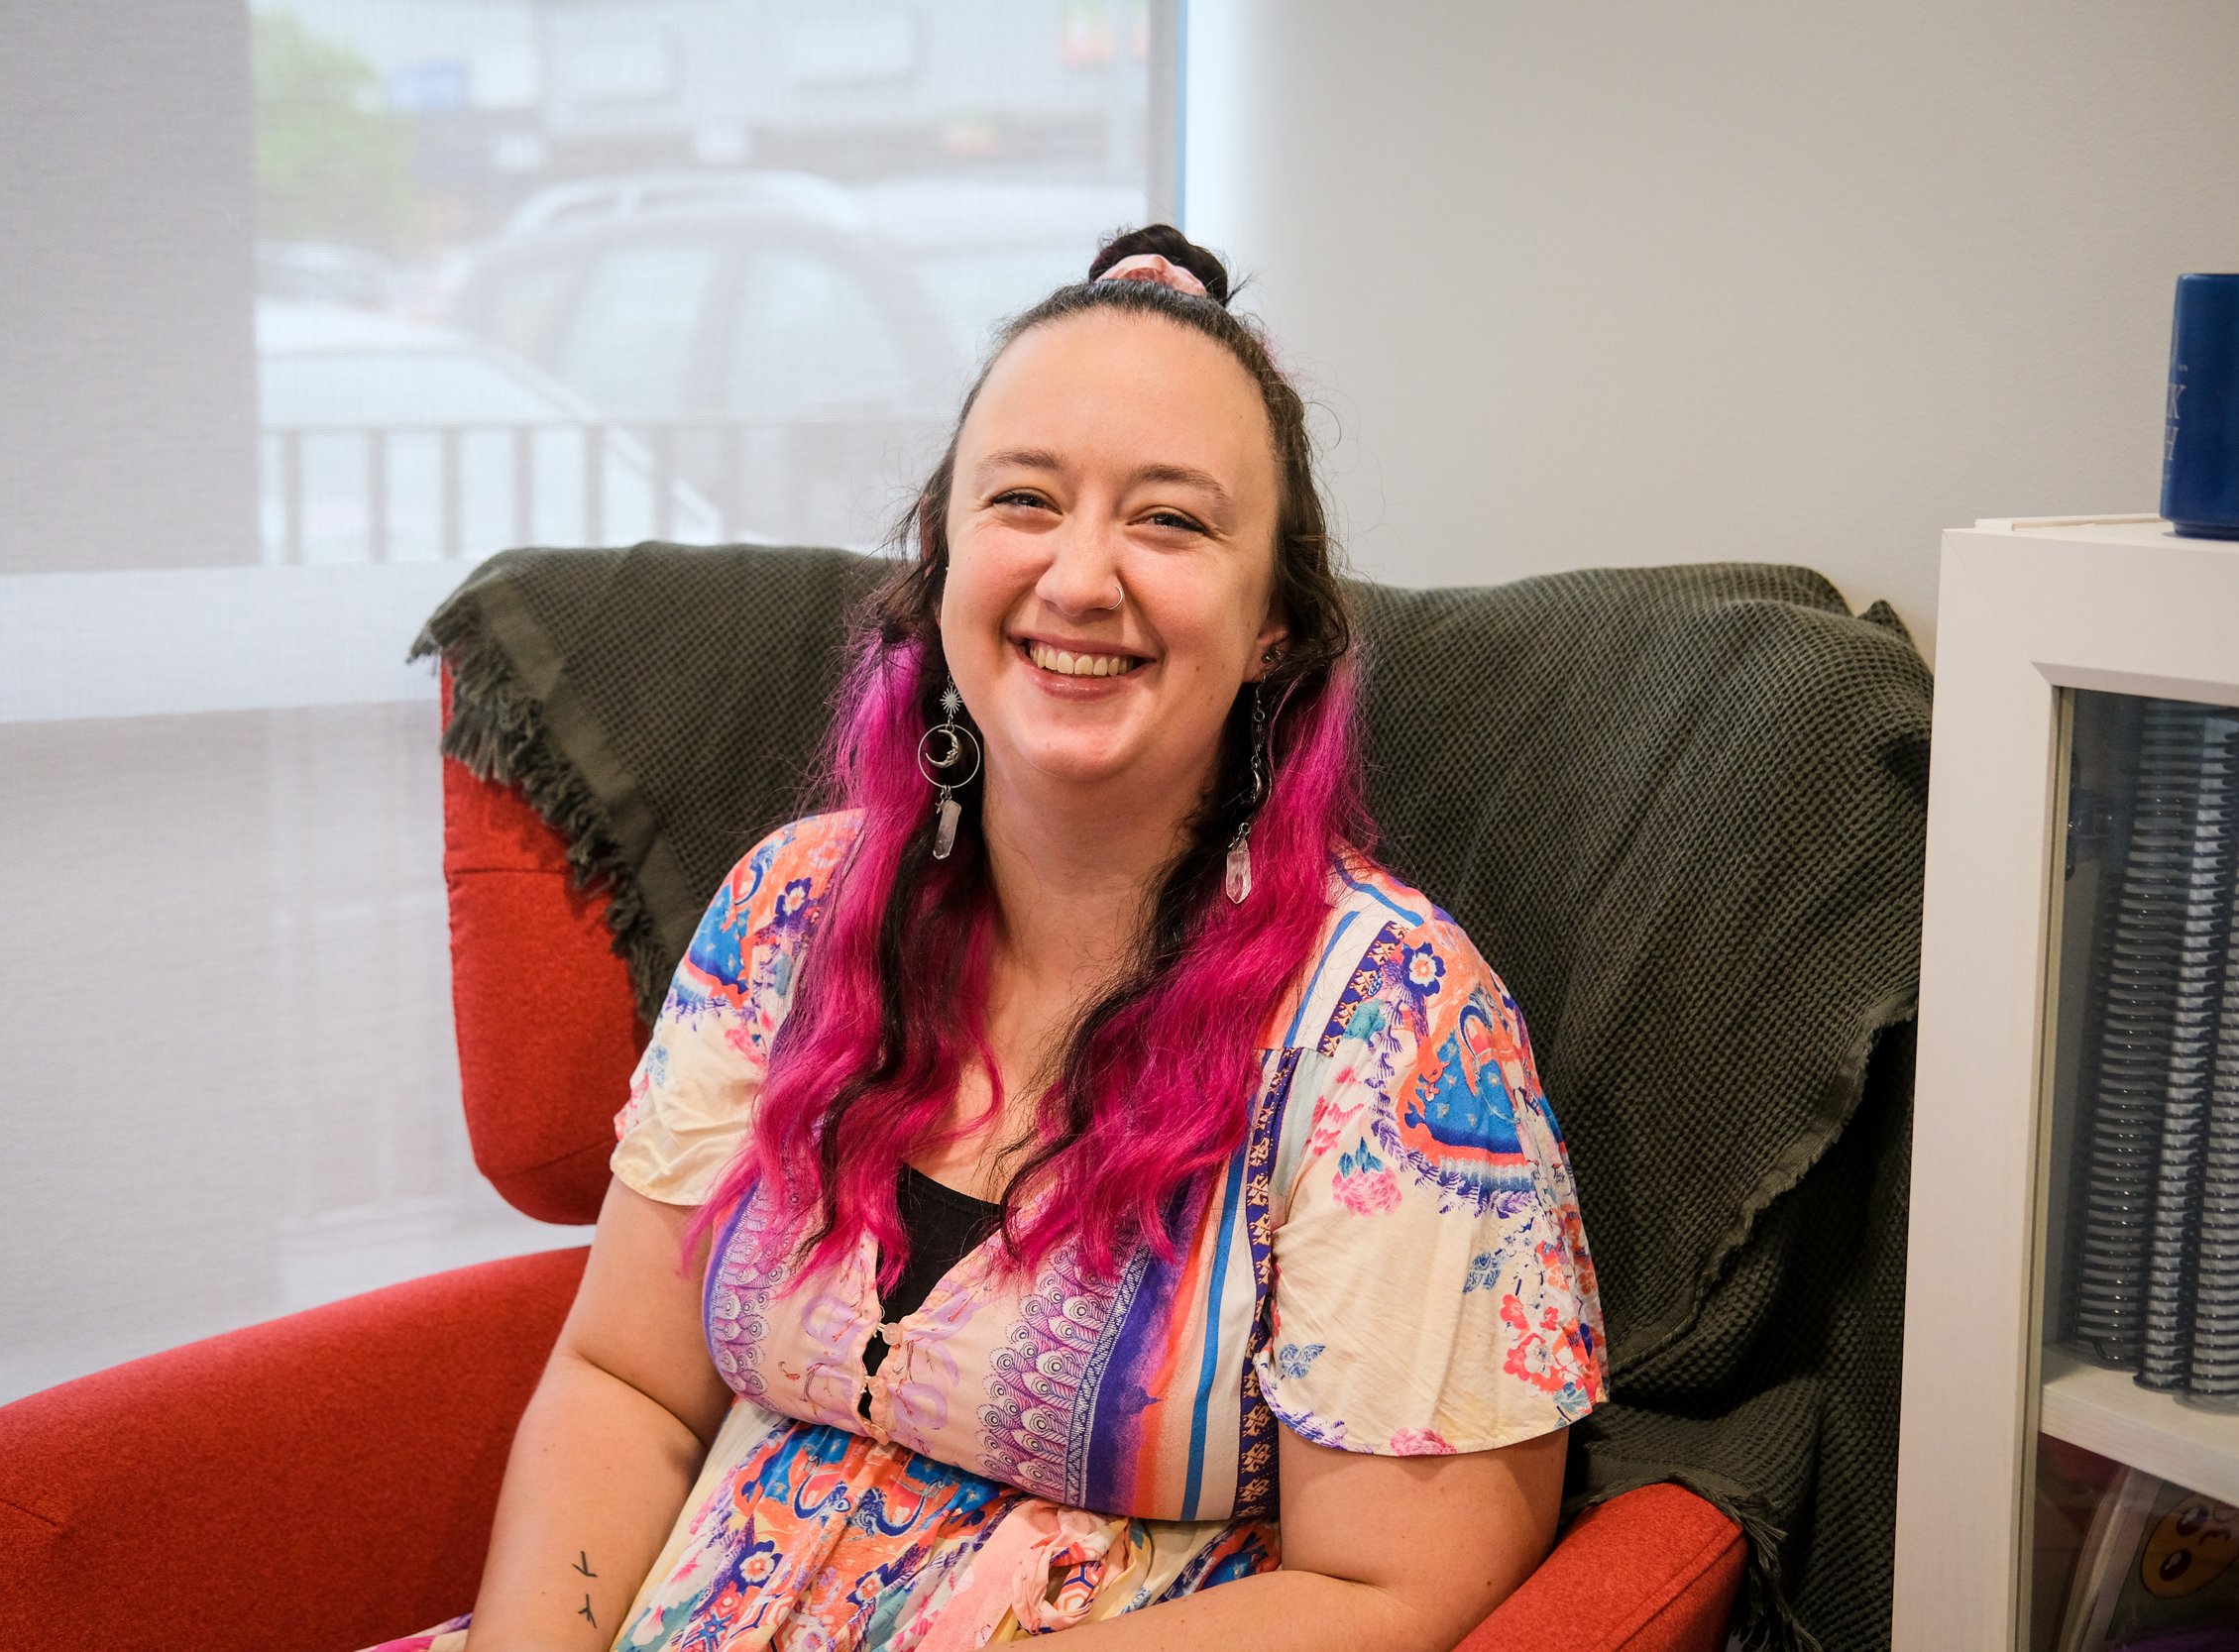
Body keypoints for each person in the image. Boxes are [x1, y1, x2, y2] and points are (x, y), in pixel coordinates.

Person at [373, 225, 1606, 1652]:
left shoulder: (1393, 1024)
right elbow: (628, 1384)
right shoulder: (789, 908)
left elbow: (1392, 1586)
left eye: (1172, 520)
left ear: (1275, 624)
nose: (1081, 578)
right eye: (1025, 499)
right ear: (944, 561)